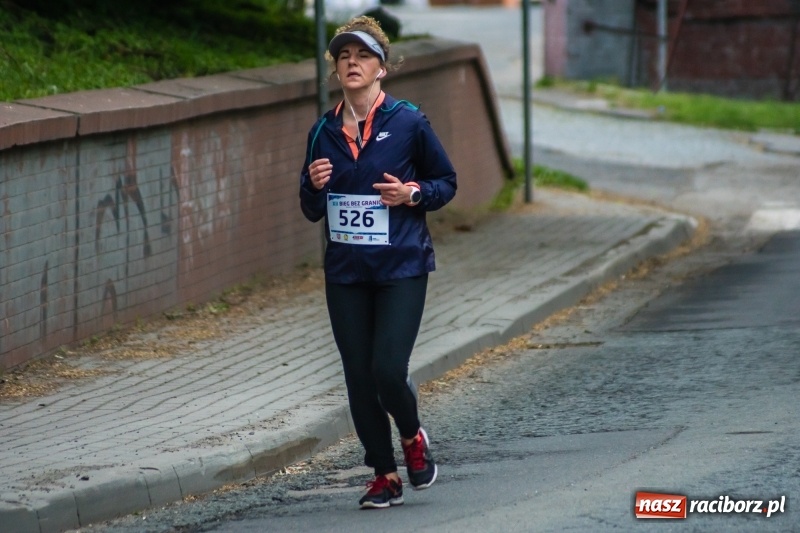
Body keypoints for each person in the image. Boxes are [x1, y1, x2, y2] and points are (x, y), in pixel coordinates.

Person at [298, 16, 457, 509]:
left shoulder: (408, 121)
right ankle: (384, 474)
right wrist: (313, 184)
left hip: (401, 268)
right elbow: (309, 209)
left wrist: (412, 193)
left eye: (362, 56)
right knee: (357, 376)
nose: (351, 63)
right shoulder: (322, 130)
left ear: (381, 69)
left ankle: (411, 436)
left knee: (388, 368)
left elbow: (445, 183)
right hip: (346, 273)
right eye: (344, 56)